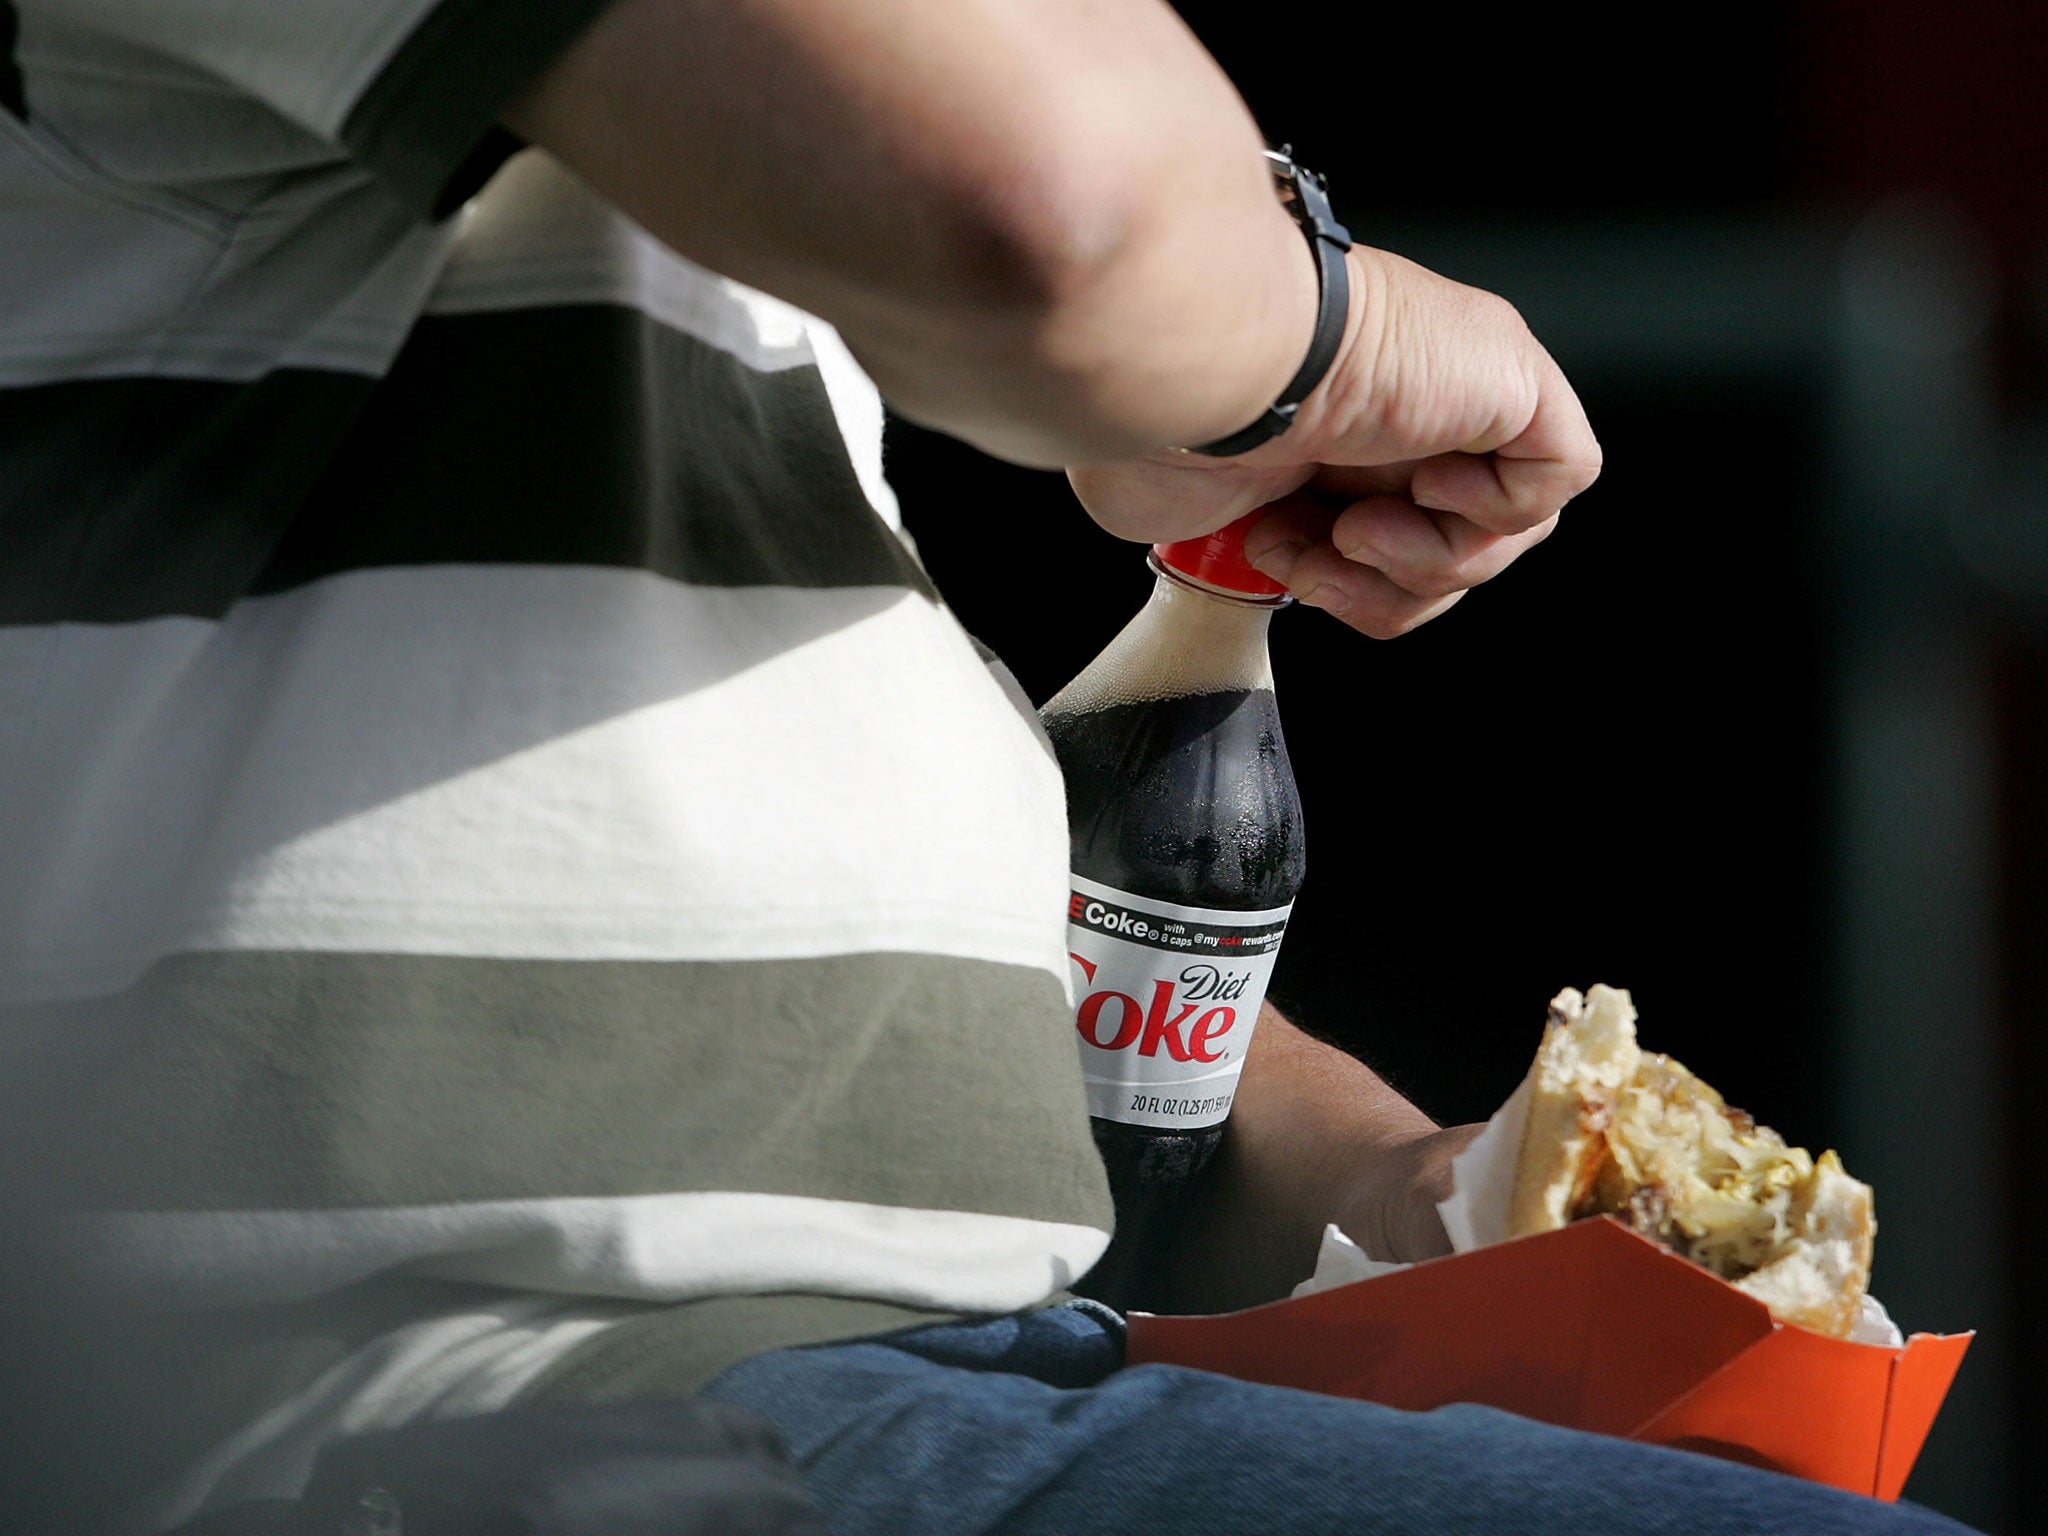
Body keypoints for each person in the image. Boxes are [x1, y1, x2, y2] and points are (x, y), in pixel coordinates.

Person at [0, 1, 1974, 1532]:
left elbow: (714, 939)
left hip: (838, 1391)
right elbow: (1051, 211)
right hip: (481, 1433)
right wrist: (1304, 327)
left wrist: (1397, 1196)